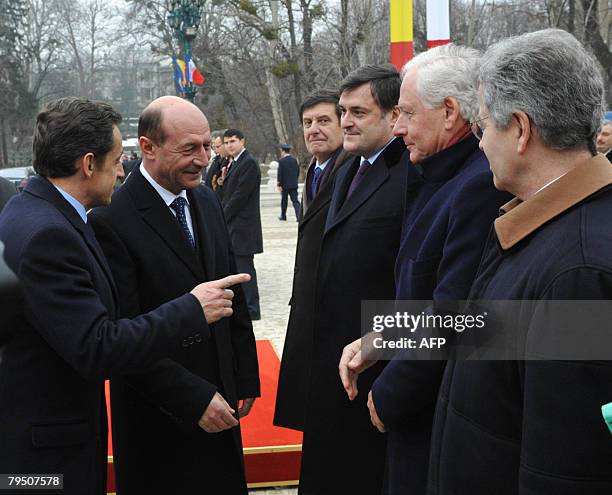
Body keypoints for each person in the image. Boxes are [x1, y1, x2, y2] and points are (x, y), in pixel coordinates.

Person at [0, 97, 249, 495]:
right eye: (117, 160)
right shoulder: (49, 234)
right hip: (45, 459)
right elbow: (98, 344)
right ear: (87, 164)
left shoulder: (34, 212)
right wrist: (192, 308)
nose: (121, 170)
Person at [428, 29, 612, 494]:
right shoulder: (543, 224)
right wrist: (387, 334)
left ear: (522, 130)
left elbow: (566, 472)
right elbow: (499, 330)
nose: (481, 143)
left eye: (486, 126)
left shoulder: (579, 273)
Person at [338, 44, 512, 495]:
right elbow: (416, 290)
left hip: (435, 411)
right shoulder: (435, 174)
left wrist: (391, 393)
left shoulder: (476, 186)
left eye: (407, 114)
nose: (398, 128)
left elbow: (456, 314)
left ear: (450, 112)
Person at [89, 96, 259, 495]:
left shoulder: (205, 199)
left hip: (223, 400)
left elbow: (231, 287)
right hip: (159, 417)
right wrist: (193, 398)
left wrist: (245, 375)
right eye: (189, 149)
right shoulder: (111, 218)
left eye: (206, 145)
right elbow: (122, 333)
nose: (203, 158)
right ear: (147, 147)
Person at [296, 64, 416, 495]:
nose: (346, 121)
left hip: (376, 353)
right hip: (332, 354)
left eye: (358, 112)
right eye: (342, 111)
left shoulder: (409, 173)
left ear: (393, 116)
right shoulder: (347, 167)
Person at [274, 89, 351, 432]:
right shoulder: (314, 169)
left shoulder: (349, 169)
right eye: (307, 123)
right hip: (307, 303)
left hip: (335, 312)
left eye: (323, 121)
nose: (314, 130)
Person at [221, 128, 263, 320]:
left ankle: (252, 308)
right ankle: (246, 306)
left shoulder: (249, 164)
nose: (230, 145)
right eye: (227, 142)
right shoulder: (234, 163)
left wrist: (222, 216)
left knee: (245, 269)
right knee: (239, 267)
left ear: (242, 141)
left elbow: (240, 196)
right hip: (236, 226)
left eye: (233, 141)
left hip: (243, 227)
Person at [277, 143, 300, 221]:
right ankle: (299, 216)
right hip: (293, 184)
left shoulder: (281, 161)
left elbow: (280, 174)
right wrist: (295, 180)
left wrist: (279, 184)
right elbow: (297, 171)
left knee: (284, 201)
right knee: (295, 201)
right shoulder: (294, 160)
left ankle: (283, 216)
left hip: (284, 185)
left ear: (283, 151)